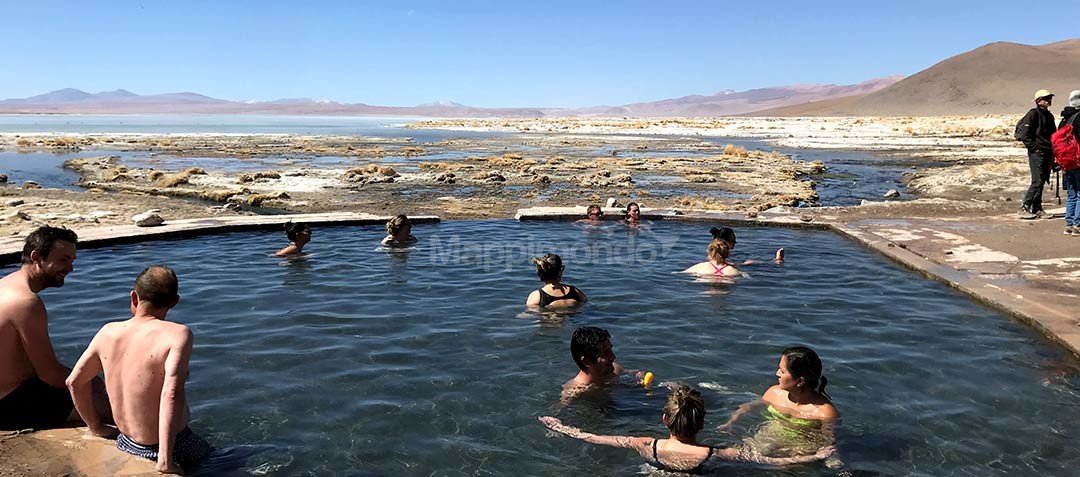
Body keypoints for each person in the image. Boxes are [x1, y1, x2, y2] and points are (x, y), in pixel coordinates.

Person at [66, 266, 212, 474]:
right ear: (175, 301)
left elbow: (74, 382)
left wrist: (95, 426)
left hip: (127, 442)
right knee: (245, 458)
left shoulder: (108, 331)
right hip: (175, 446)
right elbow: (171, 393)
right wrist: (165, 458)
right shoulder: (178, 334)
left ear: (134, 297)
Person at [540, 384, 834, 473]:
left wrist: (562, 426)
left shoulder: (645, 444)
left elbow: (596, 437)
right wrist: (817, 455)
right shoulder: (718, 453)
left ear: (664, 420)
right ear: (703, 423)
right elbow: (771, 462)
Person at [0, 226, 105, 430]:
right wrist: (92, 383)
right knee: (112, 408)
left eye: (72, 261)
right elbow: (49, 374)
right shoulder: (25, 302)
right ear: (37, 256)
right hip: (8, 405)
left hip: (12, 390)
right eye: (63, 260)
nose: (70, 268)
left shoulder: (5, 285)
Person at [718, 346, 839, 437]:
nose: (777, 374)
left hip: (798, 450)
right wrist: (731, 423)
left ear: (800, 381)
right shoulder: (774, 393)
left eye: (782, 371)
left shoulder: (825, 413)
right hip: (766, 437)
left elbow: (828, 441)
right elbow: (749, 407)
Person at [1017, 89, 1058, 219]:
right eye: (1045, 98)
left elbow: (1053, 135)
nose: (1048, 100)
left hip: (1047, 153)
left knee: (1042, 180)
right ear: (1038, 101)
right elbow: (1025, 135)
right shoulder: (1033, 114)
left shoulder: (1049, 116)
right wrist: (1035, 148)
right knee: (1037, 181)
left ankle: (1037, 208)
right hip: (1037, 153)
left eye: (1049, 98)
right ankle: (1024, 207)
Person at [1059, 90, 1080, 236]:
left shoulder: (1064, 119)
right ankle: (1078, 225)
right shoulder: (1079, 118)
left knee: (1072, 194)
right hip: (1078, 160)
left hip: (1066, 161)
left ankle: (1068, 223)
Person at [710, 226, 784, 264]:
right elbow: (729, 264)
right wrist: (776, 260)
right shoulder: (722, 261)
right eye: (733, 240)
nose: (735, 242)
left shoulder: (712, 255)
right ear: (725, 241)